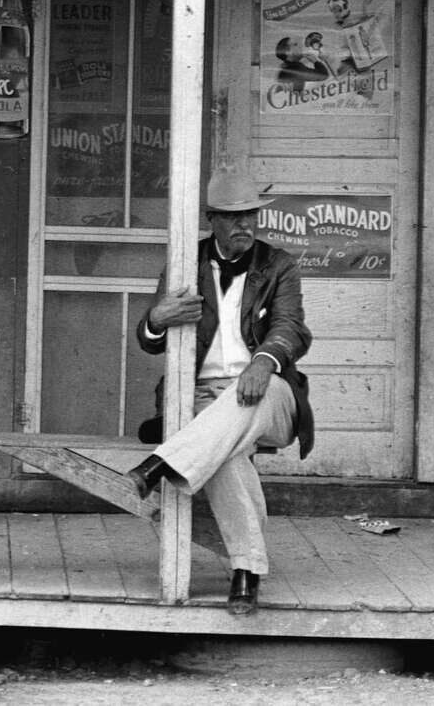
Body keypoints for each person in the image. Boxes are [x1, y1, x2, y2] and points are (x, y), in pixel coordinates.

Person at [126, 168, 314, 617]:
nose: (243, 225)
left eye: (250, 214)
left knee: (232, 415)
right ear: (212, 219)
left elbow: (292, 328)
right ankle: (246, 573)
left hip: (270, 391)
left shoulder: (279, 265)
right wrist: (157, 317)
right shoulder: (184, 265)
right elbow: (148, 341)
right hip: (201, 396)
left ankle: (164, 462)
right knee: (225, 449)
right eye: (232, 217)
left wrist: (265, 361)